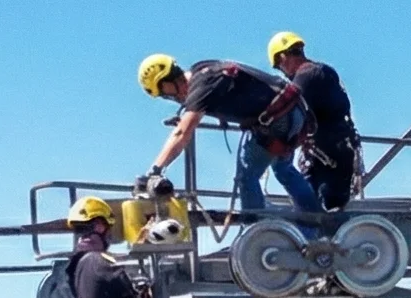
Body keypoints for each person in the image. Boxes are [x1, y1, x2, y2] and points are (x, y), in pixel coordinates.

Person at [136, 53, 319, 214]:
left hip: (277, 119)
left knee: (246, 178)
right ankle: (317, 222)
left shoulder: (200, 86)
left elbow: (182, 133)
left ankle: (257, 228)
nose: (172, 98)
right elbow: (235, 89)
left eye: (166, 93)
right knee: (283, 169)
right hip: (294, 112)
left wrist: (155, 170)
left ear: (168, 80)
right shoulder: (203, 69)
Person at [267, 31, 363, 210]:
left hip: (329, 162)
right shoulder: (321, 72)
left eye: (279, 67)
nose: (283, 73)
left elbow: (287, 110)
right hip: (332, 156)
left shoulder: (307, 77)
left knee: (319, 215)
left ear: (282, 57)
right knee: (315, 212)